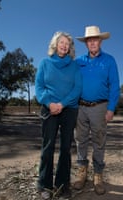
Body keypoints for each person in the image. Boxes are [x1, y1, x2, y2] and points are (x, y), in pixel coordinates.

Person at [73, 25, 120, 195]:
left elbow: (115, 86)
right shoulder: (78, 62)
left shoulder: (109, 60)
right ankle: (81, 173)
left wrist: (111, 108)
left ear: (100, 41)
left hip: (100, 107)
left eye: (95, 40)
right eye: (89, 40)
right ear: (86, 43)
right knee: (81, 140)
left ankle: (98, 175)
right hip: (80, 107)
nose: (92, 43)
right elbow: (70, 82)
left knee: (99, 142)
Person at [35, 31, 82, 200]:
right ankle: (44, 185)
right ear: (55, 44)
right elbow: (39, 87)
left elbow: (77, 89)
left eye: (67, 43)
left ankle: (62, 186)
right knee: (47, 147)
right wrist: (50, 103)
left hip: (69, 109)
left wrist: (62, 104)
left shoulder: (74, 65)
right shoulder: (45, 63)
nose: (64, 45)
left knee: (65, 148)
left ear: (70, 48)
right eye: (61, 42)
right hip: (49, 109)